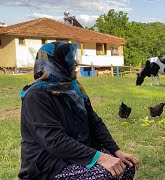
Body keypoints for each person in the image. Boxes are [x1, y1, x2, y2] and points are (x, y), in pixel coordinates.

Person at [18, 42, 139, 179]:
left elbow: (95, 123)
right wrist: (100, 158)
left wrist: (116, 151)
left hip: (78, 153)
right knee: (103, 174)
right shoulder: (36, 96)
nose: (76, 63)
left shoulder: (74, 89)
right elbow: (55, 140)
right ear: (55, 64)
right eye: (70, 59)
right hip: (50, 165)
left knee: (127, 165)